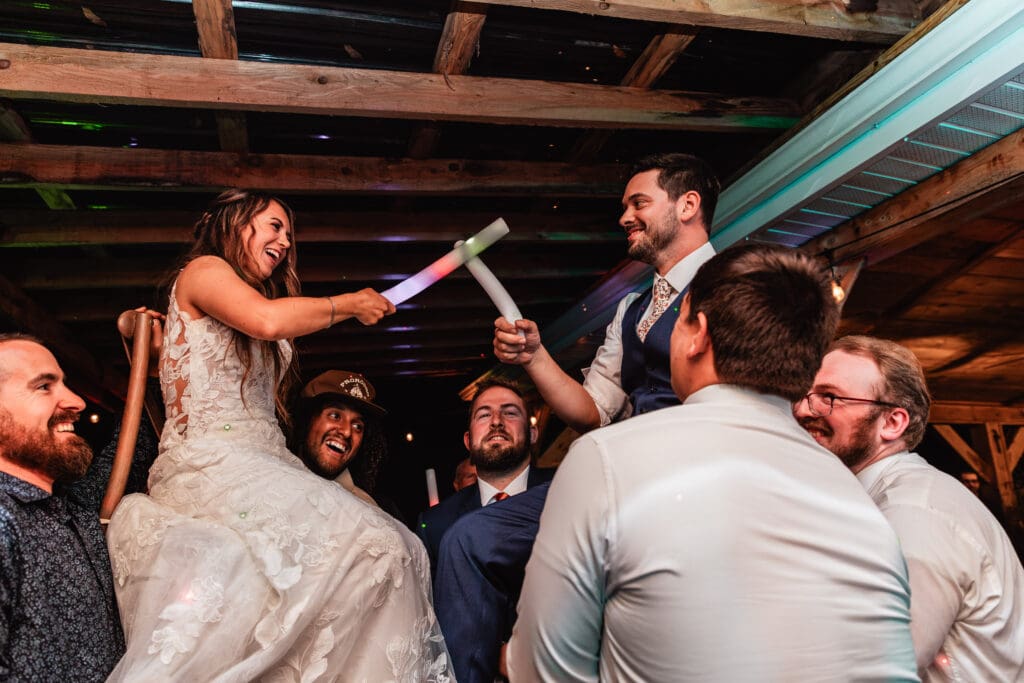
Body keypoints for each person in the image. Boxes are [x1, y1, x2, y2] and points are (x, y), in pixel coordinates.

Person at [508, 245, 918, 681]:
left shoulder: (608, 460)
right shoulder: (865, 508)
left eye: (679, 319)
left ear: (697, 334)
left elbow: (543, 672)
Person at [104, 189, 451, 681]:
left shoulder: (252, 297)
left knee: (403, 547)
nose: (285, 241)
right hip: (214, 462)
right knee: (375, 545)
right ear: (234, 223)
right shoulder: (203, 271)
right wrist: (347, 304)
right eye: (274, 226)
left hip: (264, 460)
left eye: (289, 233)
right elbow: (266, 322)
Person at [794, 335, 1024, 681]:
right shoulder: (880, 501)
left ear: (892, 423)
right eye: (804, 395)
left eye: (829, 397)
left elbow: (874, 666)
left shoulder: (914, 514)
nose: (802, 409)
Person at [493, 152, 719, 433]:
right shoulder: (631, 309)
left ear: (687, 205)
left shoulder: (739, 284)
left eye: (639, 203)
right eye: (625, 208)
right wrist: (534, 356)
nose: (625, 218)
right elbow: (591, 411)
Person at [0, 334, 125, 680]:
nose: (76, 401)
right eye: (44, 386)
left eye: (65, 385)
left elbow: (130, 459)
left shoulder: (70, 508)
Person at [417, 379, 552, 570]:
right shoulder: (436, 525)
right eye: (484, 415)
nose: (497, 421)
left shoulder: (564, 494)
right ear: (468, 440)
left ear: (532, 434)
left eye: (510, 413)